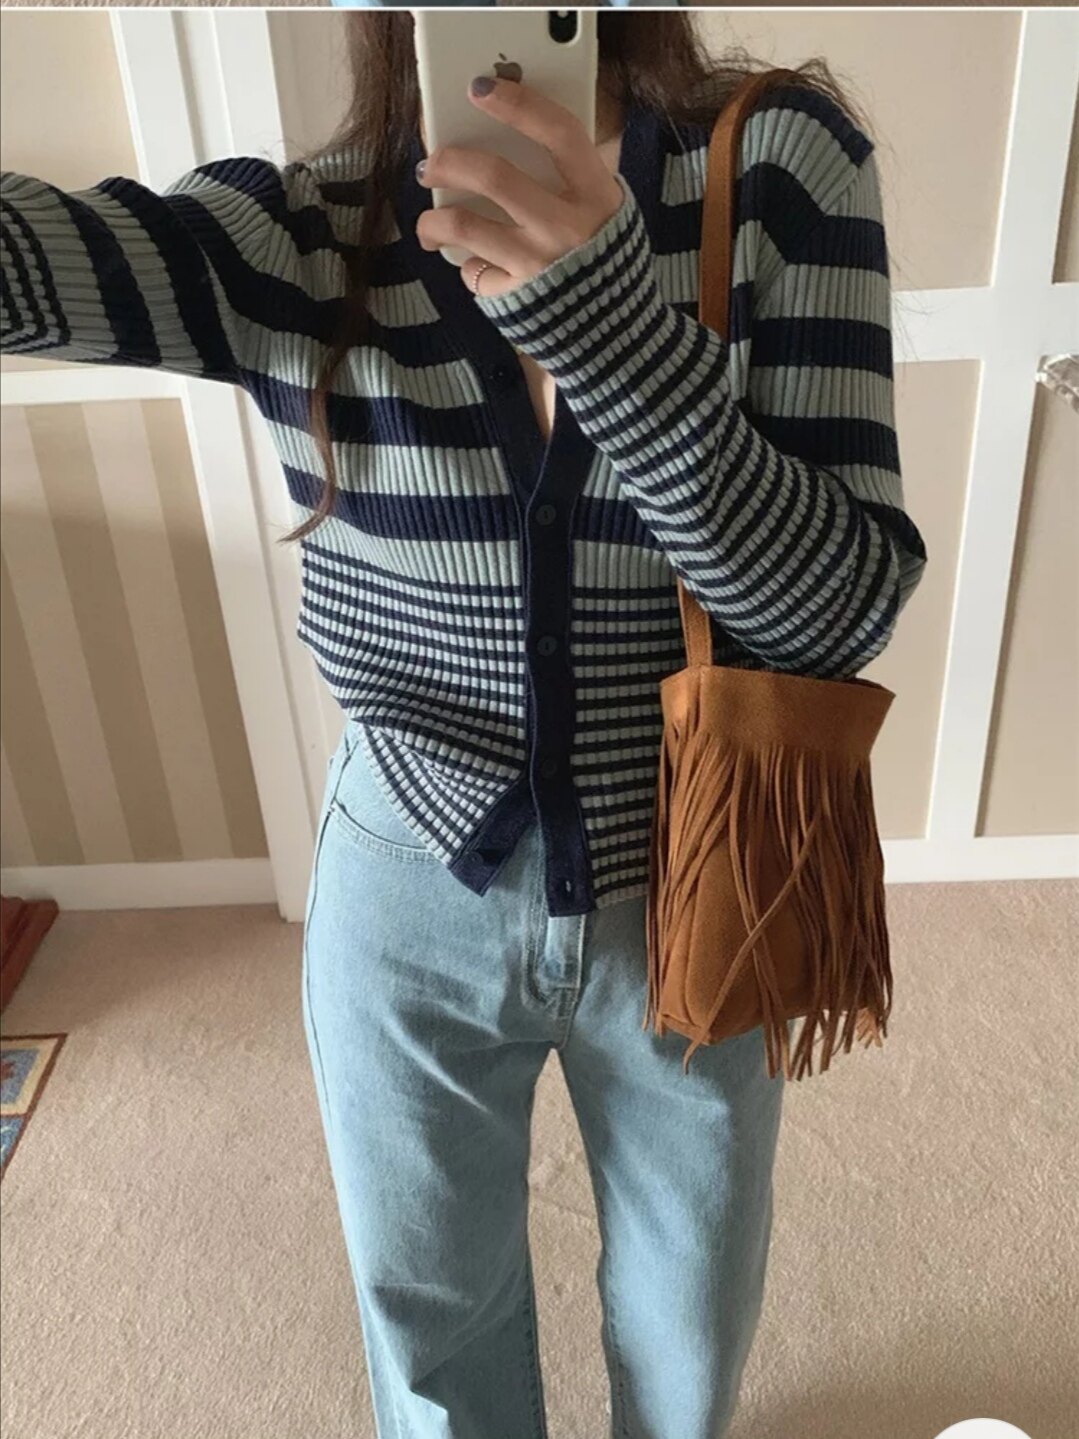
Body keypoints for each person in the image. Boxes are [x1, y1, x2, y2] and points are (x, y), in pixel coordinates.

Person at [0, 12, 928, 1437]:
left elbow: (837, 615)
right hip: (406, 879)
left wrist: (615, 330)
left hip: (697, 867)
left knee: (691, 1315)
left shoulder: (780, 165)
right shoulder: (305, 230)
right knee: (430, 1322)